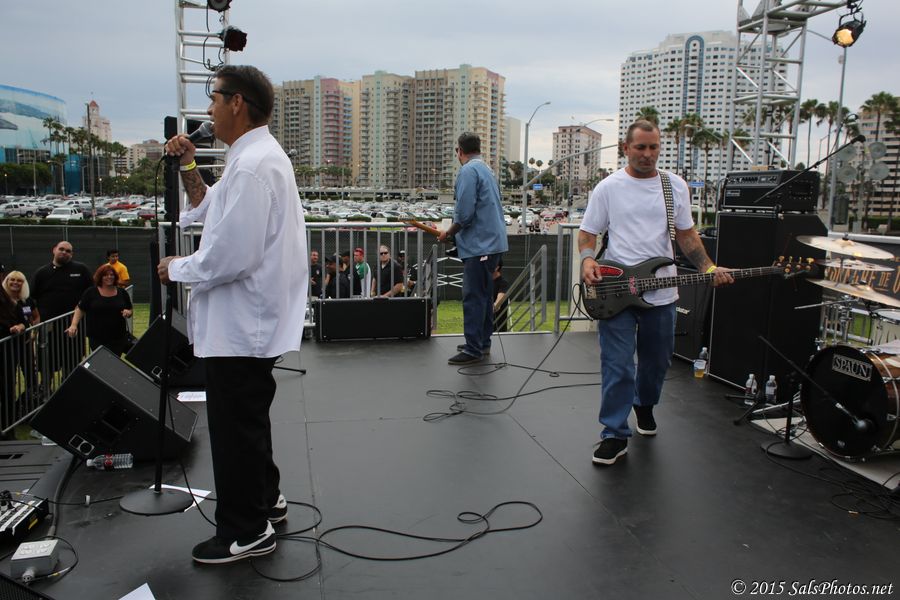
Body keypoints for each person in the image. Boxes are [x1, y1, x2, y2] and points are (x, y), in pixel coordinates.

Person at [159, 64, 308, 564]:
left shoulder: (252, 166)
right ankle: (266, 499)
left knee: (234, 430)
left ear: (237, 102)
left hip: (243, 325)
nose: (209, 109)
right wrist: (188, 164)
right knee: (248, 421)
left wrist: (176, 268)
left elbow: (231, 257)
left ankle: (246, 530)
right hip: (249, 323)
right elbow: (205, 205)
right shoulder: (253, 158)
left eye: (215, 98)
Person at [578, 119, 733, 466]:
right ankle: (614, 433)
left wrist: (708, 268)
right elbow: (587, 233)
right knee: (617, 365)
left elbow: (687, 235)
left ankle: (644, 403)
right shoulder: (608, 187)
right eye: (640, 147)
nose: (648, 154)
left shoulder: (673, 185)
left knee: (656, 362)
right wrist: (587, 260)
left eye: (654, 147)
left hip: (661, 292)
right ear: (626, 148)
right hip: (617, 291)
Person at [438, 132, 508, 365]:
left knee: (474, 297)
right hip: (492, 243)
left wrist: (449, 233)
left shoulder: (468, 171)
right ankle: (482, 343)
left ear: (459, 151)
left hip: (481, 245)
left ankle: (473, 349)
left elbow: (465, 212)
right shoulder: (487, 169)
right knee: (484, 296)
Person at [30, 241, 93, 375]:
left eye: (68, 251)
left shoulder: (81, 269)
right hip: (48, 326)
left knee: (72, 361)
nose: (64, 252)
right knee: (47, 361)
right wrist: (36, 320)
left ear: (72, 254)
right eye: (61, 249)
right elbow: (32, 298)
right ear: (54, 250)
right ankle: (46, 385)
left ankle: (69, 384)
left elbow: (91, 292)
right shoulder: (41, 273)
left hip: (74, 326)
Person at [65, 265, 133, 356]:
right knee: (101, 360)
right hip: (96, 337)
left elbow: (129, 309)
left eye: (112, 275)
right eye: (106, 275)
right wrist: (73, 325)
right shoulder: (91, 292)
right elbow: (80, 309)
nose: (109, 277)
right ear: (100, 277)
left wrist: (128, 313)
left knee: (114, 361)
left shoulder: (122, 292)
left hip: (118, 337)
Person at [1, 271, 40, 416]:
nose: (15, 283)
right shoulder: (3, 300)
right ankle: (10, 411)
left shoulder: (27, 300)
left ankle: (32, 405)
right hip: (7, 347)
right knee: (9, 378)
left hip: (25, 344)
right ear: (6, 281)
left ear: (24, 283)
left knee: (30, 374)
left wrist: (34, 331)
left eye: (19, 280)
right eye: (12, 280)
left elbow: (35, 317)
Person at [492, 260, 509, 332]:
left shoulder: (503, 283)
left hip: (498, 327)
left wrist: (496, 304)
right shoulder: (485, 282)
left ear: (496, 267)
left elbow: (500, 298)